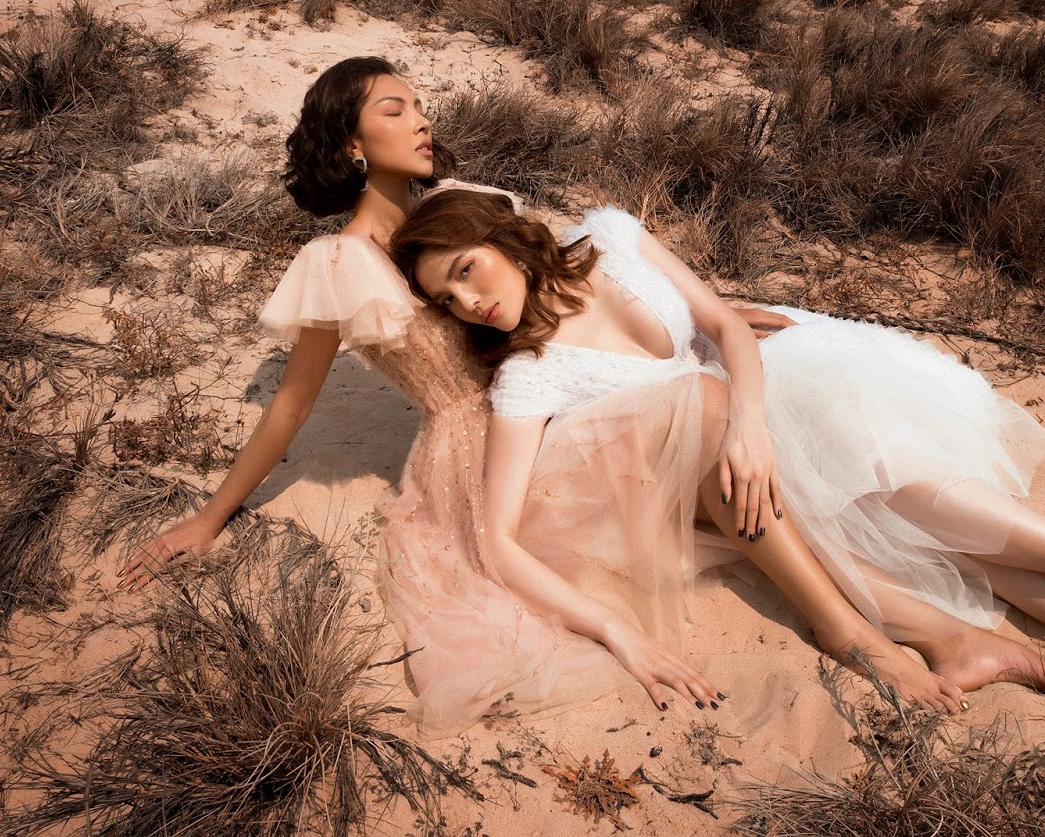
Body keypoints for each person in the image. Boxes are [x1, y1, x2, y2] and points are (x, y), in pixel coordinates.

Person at [390, 191, 1045, 745]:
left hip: (771, 398)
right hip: (724, 472)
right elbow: (499, 538)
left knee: (936, 505)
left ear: (501, 236)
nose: (468, 303)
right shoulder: (528, 376)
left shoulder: (607, 234)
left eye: (465, 270)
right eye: (446, 300)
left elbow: (724, 322)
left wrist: (748, 422)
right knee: (961, 552)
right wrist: (614, 629)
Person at [117, 56, 791, 733]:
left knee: (745, 419)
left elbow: (553, 273)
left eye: (419, 106)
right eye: (395, 110)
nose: (421, 121)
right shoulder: (340, 261)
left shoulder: (459, 200)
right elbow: (292, 404)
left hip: (561, 390)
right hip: (479, 448)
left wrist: (695, 310)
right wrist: (208, 520)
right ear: (351, 145)